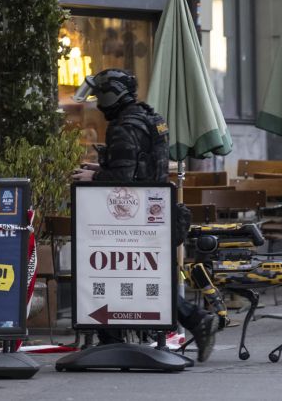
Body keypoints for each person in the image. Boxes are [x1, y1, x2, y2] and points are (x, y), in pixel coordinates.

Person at [70, 68, 219, 362]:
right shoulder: (150, 117)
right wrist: (100, 169)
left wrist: (93, 180)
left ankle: (193, 319)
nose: (98, 102)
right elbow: (142, 167)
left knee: (121, 274)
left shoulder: (124, 126)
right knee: (135, 276)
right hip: (153, 210)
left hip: (130, 217)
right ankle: (114, 336)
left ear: (113, 95)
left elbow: (124, 179)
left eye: (101, 95)